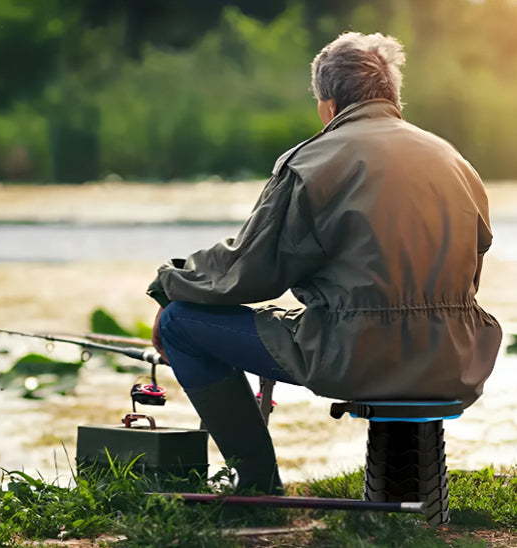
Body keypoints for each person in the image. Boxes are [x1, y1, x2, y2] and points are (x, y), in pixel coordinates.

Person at [146, 32, 502, 495]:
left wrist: (168, 283)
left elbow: (247, 271)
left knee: (178, 324)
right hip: (457, 357)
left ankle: (256, 484)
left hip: (358, 355)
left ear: (327, 105)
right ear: (392, 95)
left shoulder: (313, 162)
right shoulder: (455, 160)